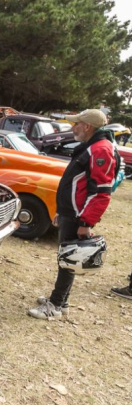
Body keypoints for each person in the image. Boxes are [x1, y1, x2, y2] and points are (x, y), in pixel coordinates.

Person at [28, 109, 116, 320]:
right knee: (66, 259)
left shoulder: (101, 149)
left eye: (76, 123)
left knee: (67, 260)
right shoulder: (93, 146)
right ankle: (62, 301)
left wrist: (86, 222)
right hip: (71, 212)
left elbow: (102, 192)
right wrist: (60, 210)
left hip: (78, 215)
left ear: (87, 126)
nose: (72, 127)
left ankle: (56, 305)